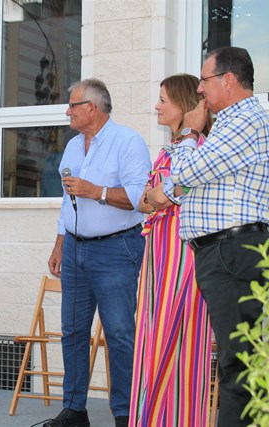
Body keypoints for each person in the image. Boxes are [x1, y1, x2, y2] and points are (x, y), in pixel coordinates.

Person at [164, 47, 269, 427]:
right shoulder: (230, 122)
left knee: (237, 364)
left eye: (204, 80)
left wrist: (190, 131)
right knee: (235, 360)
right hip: (224, 251)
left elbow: (186, 173)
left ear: (228, 80)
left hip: (232, 250)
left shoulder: (245, 120)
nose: (199, 89)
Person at [46, 79, 151, 427]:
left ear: (92, 107)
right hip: (75, 249)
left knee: (120, 334)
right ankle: (75, 409)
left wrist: (96, 191)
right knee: (73, 331)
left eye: (73, 105)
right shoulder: (74, 146)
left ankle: (126, 414)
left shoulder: (128, 141)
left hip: (117, 249)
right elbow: (66, 199)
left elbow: (140, 198)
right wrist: (60, 243)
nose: (68, 111)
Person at [129, 74, 213, 427]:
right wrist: (156, 196)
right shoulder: (169, 149)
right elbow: (145, 202)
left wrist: (157, 196)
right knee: (152, 338)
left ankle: (178, 419)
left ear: (183, 103)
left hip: (183, 255)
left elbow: (160, 195)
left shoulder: (199, 147)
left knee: (180, 340)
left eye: (163, 99)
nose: (157, 106)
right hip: (158, 254)